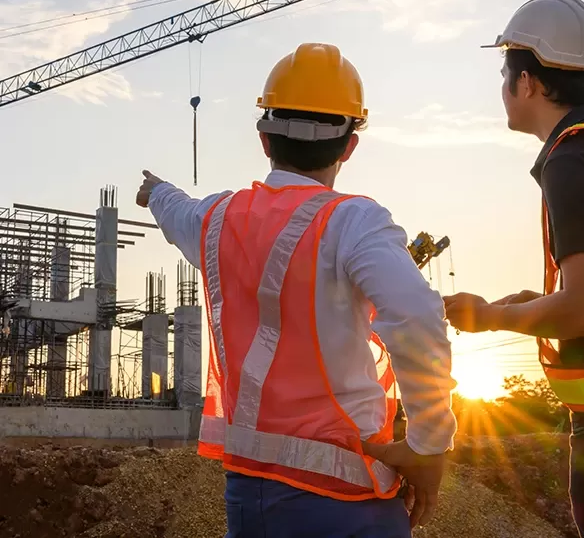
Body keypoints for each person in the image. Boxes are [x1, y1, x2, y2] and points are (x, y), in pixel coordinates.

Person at [136, 43, 456, 538]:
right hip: (347, 501)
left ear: (264, 139)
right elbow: (416, 318)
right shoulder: (353, 222)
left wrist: (155, 191)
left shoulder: (217, 220)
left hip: (250, 500)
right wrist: (430, 444)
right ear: (350, 145)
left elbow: (179, 211)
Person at [443, 0, 584, 538]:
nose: (502, 89)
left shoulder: (573, 162)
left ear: (529, 83)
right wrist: (534, 306)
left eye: (504, 74)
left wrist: (490, 318)